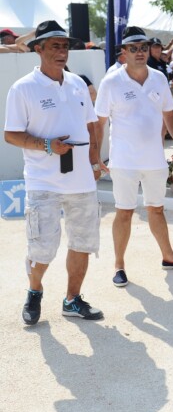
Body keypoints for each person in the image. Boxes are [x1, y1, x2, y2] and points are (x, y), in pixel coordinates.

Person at [4, 20, 105, 325]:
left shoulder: (76, 84)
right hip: (43, 181)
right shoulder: (23, 88)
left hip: (81, 181)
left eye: (65, 46)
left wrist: (95, 161)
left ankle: (72, 300)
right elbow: (11, 134)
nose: (62, 52)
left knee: (82, 242)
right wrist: (47, 144)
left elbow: (91, 125)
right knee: (42, 246)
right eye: (55, 46)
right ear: (39, 49)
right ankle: (34, 292)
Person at [95, 26, 173, 288]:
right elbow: (100, 122)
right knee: (124, 212)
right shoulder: (111, 82)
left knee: (157, 209)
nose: (140, 52)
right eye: (133, 48)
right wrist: (94, 156)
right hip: (124, 161)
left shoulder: (159, 78)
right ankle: (119, 265)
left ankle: (169, 257)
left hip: (154, 159)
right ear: (123, 53)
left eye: (143, 47)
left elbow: (169, 113)